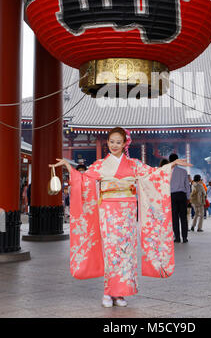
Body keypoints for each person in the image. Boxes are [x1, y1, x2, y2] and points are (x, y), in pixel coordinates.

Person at [49, 127, 192, 308]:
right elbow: (84, 179)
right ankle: (108, 292)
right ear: (107, 143)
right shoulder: (100, 165)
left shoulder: (134, 164)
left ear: (125, 144)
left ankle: (120, 293)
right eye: (111, 142)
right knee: (111, 251)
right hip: (108, 212)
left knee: (126, 253)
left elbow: (153, 174)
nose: (114, 145)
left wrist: (170, 166)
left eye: (118, 142)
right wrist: (68, 167)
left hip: (128, 213)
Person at [169, 153, 190, 243]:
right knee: (183, 217)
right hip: (182, 195)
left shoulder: (167, 172)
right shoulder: (184, 171)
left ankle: (177, 237)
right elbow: (187, 186)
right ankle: (184, 237)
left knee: (174, 218)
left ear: (170, 161)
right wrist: (188, 197)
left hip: (172, 196)